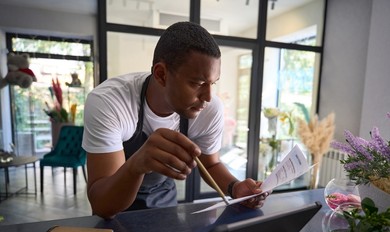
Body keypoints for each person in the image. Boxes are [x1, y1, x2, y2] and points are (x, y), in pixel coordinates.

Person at [82, 21, 269, 219]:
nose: (207, 97)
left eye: (212, 83)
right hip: (116, 206)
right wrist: (137, 164)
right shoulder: (110, 102)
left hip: (165, 199)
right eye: (198, 83)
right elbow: (101, 204)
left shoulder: (210, 108)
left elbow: (211, 164)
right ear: (161, 74)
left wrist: (235, 187)